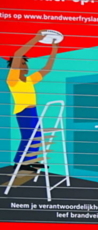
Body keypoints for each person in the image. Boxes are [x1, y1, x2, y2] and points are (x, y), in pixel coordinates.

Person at [6, 32, 58, 170]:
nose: (24, 65)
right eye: (22, 63)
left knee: (37, 136)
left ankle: (31, 160)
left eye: (25, 63)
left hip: (33, 110)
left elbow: (47, 69)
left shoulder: (29, 80)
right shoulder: (13, 80)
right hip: (23, 112)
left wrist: (54, 49)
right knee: (28, 137)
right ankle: (19, 163)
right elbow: (17, 54)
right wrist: (36, 38)